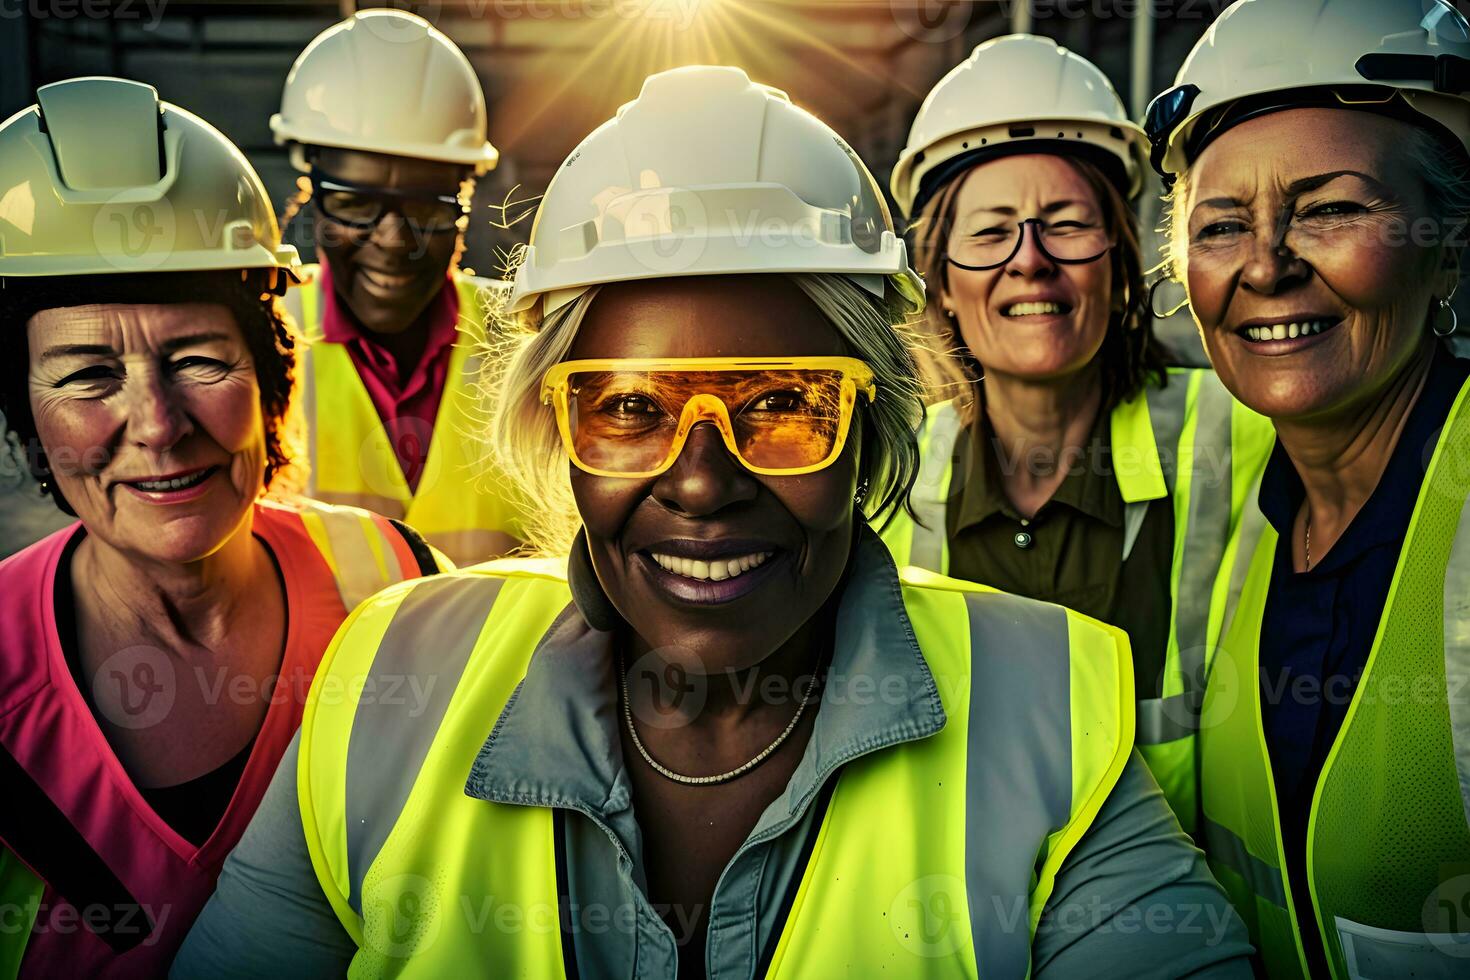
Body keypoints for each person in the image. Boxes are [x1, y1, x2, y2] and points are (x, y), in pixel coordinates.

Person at [175, 65, 1252, 979]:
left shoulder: (1048, 709)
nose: (700, 482)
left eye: (782, 404)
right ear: (559, 431)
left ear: (872, 426)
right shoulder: (394, 683)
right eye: (630, 408)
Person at [0, 77, 444, 977]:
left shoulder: (395, 582)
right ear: (24, 413)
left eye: (198, 360)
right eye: (88, 376)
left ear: (270, 376)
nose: (159, 425)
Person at [1146, 0, 1470, 975]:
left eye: (1330, 209)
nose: (1266, 262)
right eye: (1221, 224)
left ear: (1446, 244)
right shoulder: (1239, 524)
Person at [884, 33, 1274, 832]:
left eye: (1064, 225)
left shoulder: (1252, 441)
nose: (1030, 262)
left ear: (1120, 263)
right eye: (991, 233)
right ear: (945, 285)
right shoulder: (883, 480)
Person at [272, 8, 522, 565]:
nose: (391, 239)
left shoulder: (526, 338)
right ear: (311, 193)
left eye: (424, 207)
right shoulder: (266, 333)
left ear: (464, 201)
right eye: (355, 203)